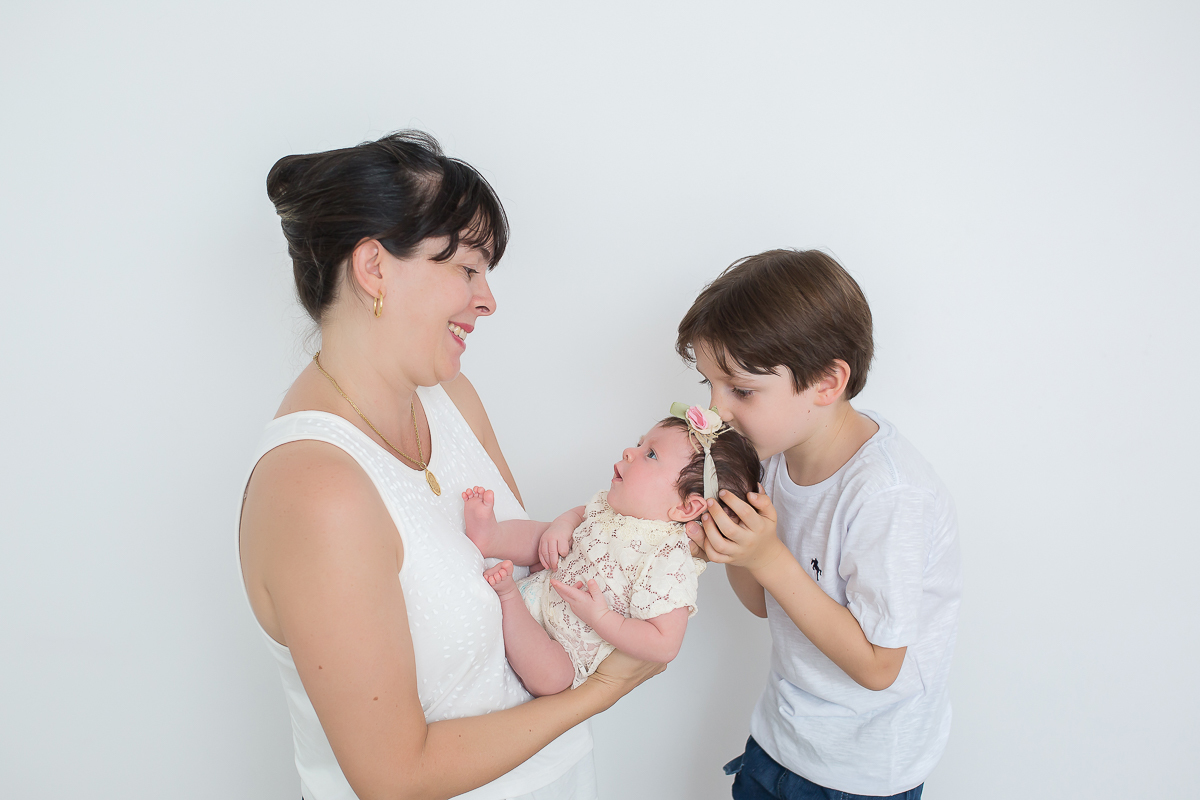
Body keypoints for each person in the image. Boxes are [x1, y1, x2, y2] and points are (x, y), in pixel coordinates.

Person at [237, 131, 663, 800]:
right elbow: (393, 776)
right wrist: (600, 691)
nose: (487, 300)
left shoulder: (451, 399)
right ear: (374, 268)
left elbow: (530, 582)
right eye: (466, 269)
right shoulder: (315, 489)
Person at [676, 250, 962, 800]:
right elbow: (764, 603)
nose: (716, 411)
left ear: (827, 382)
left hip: (862, 773)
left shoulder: (887, 495)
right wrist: (735, 545)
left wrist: (766, 557)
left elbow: (880, 667)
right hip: (780, 739)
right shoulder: (774, 457)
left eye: (740, 389)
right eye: (709, 384)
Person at [460, 409, 762, 695]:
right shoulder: (612, 504)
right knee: (547, 534)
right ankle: (491, 537)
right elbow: (581, 513)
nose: (629, 453)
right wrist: (563, 525)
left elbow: (664, 644)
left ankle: (508, 597)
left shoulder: (670, 559)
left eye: (651, 454)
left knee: (553, 679)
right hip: (546, 585)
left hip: (564, 643)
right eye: (639, 444)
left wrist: (601, 617)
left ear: (687, 507)